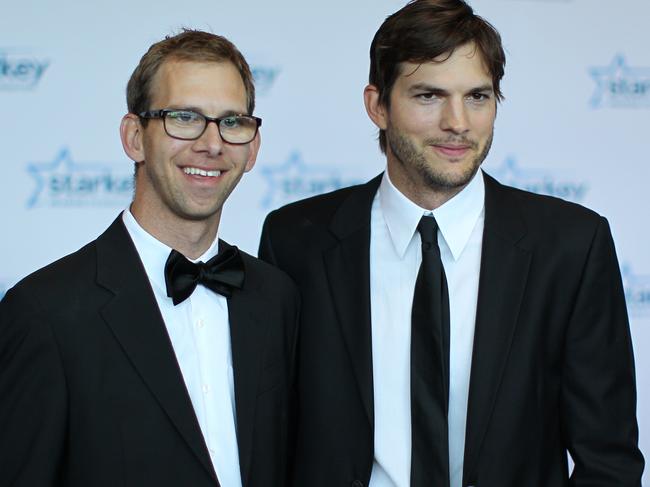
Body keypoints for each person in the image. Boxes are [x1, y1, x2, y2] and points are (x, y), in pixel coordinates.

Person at [258, 1, 644, 486]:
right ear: (378, 105)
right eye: (428, 96)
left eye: (478, 97)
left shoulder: (570, 246)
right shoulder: (296, 240)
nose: (458, 122)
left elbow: (609, 462)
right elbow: (270, 438)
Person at [0, 30, 298, 487]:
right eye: (184, 118)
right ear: (134, 137)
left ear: (253, 147)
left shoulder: (278, 298)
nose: (212, 143)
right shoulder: (45, 313)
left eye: (232, 122)